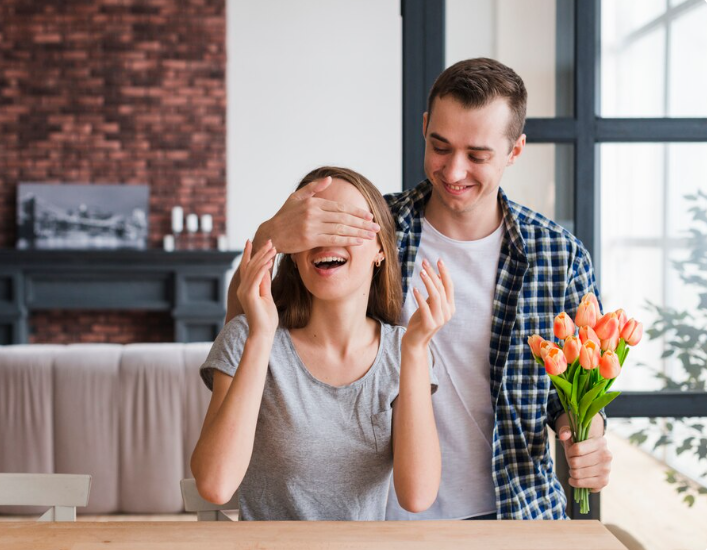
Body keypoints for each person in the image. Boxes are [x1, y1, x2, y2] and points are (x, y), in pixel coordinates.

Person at [224, 58, 612, 520]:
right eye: (440, 146)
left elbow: (571, 395)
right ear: (425, 127)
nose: (453, 170)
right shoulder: (372, 228)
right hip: (383, 519)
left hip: (515, 513)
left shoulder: (559, 256)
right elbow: (248, 324)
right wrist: (272, 233)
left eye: (478, 155)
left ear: (515, 150)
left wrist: (589, 437)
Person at [191, 166, 454, 520]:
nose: (328, 238)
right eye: (313, 227)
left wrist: (415, 350)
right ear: (294, 254)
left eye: (347, 223)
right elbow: (214, 485)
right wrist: (261, 335)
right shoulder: (248, 336)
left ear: (380, 249)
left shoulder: (403, 350)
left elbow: (417, 496)